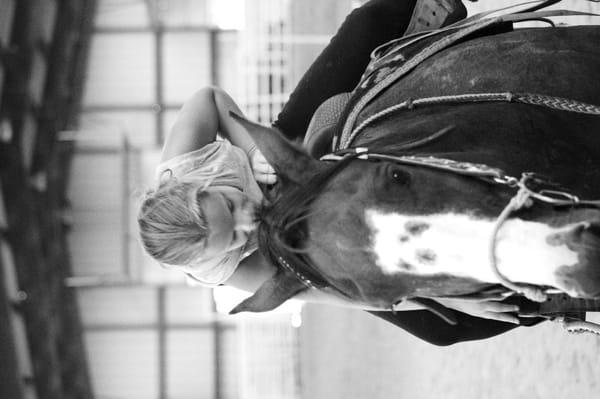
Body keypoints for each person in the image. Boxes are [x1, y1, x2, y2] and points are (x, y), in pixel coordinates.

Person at [138, 0, 542, 345]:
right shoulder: (219, 271)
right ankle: (553, 298)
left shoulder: (183, 163)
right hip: (296, 227)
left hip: (277, 151)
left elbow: (208, 99)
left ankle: (458, 29)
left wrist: (252, 146)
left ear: (201, 185)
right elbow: (330, 290)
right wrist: (439, 296)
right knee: (443, 328)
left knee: (367, 25)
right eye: (236, 238)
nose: (247, 218)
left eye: (229, 204)